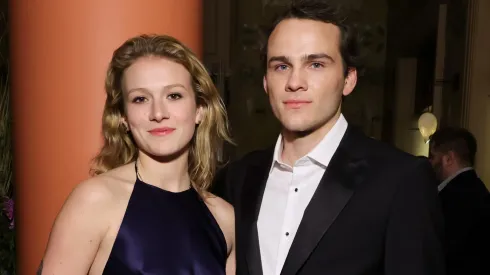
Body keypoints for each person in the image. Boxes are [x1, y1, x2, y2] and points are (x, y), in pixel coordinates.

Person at [212, 0, 445, 274]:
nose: (295, 82)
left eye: (316, 65)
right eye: (281, 66)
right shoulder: (237, 179)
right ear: (265, 81)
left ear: (349, 80)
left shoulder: (401, 181)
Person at [39, 34, 235, 274]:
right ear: (123, 118)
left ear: (200, 110)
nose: (158, 113)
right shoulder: (96, 200)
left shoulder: (224, 218)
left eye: (174, 95)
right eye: (140, 99)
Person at [429, 127, 490, 275]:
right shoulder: (479, 190)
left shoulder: (453, 198)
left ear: (449, 158)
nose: (430, 162)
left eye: (432, 156)